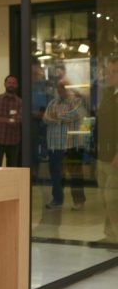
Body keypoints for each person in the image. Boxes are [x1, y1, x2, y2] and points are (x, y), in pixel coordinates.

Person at [43, 77, 87, 211]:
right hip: (55, 145)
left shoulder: (77, 101)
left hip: (72, 145)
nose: (60, 89)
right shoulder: (53, 102)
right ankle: (57, 200)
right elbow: (45, 118)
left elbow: (76, 114)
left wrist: (57, 117)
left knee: (75, 174)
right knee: (56, 174)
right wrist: (59, 117)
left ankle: (79, 200)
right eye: (59, 87)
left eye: (64, 87)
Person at [95, 57, 118, 245]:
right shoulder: (109, 94)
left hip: (115, 157)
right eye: (110, 71)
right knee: (105, 197)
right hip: (103, 155)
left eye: (115, 72)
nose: (110, 76)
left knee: (112, 198)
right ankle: (110, 235)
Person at [0, 74, 22, 167]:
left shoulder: (20, 102)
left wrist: (0, 119)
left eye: (14, 83)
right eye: (9, 82)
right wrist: (9, 120)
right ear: (5, 84)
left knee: (13, 169)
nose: (11, 85)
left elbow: (19, 119)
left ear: (17, 85)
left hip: (14, 141)